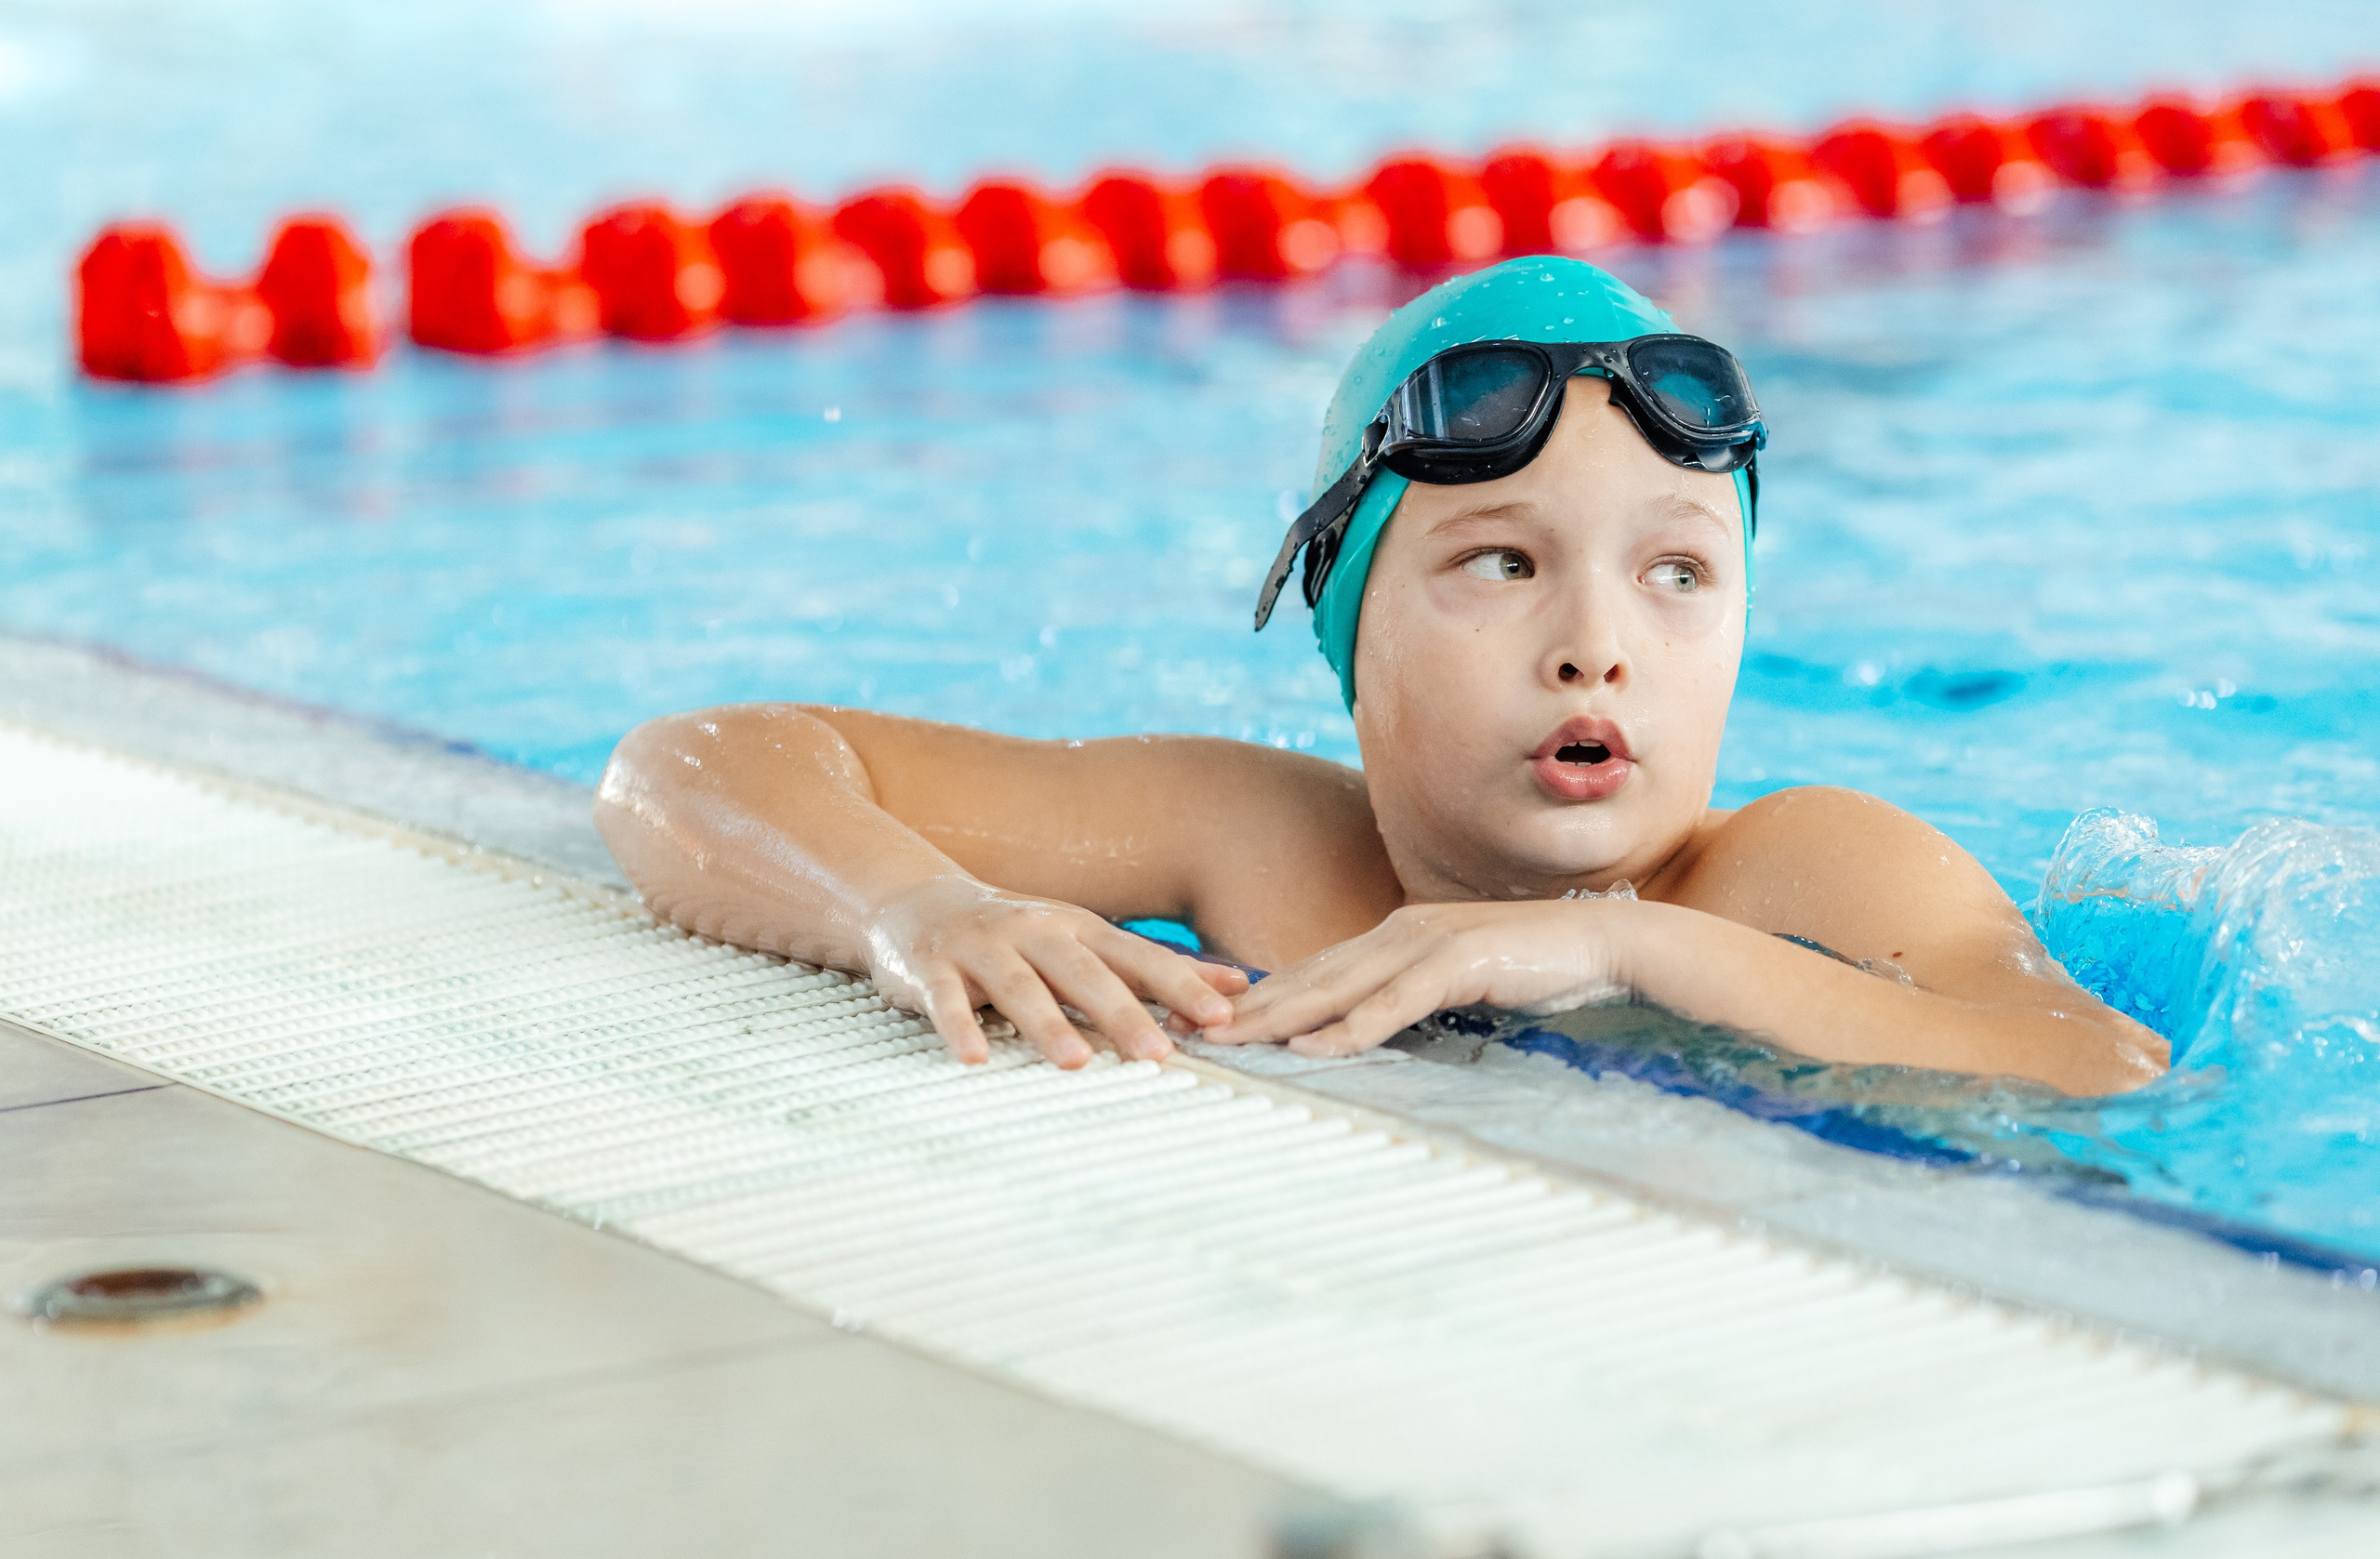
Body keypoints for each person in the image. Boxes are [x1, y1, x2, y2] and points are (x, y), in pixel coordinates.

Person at [594, 257, 2168, 1097]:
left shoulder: (1802, 868)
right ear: (1348, 628)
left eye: (1677, 572)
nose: (1598, 643)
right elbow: (689, 768)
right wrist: (912, 911)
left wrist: (1627, 946)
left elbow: (2092, 1062)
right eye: (1502, 561)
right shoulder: (1262, 847)